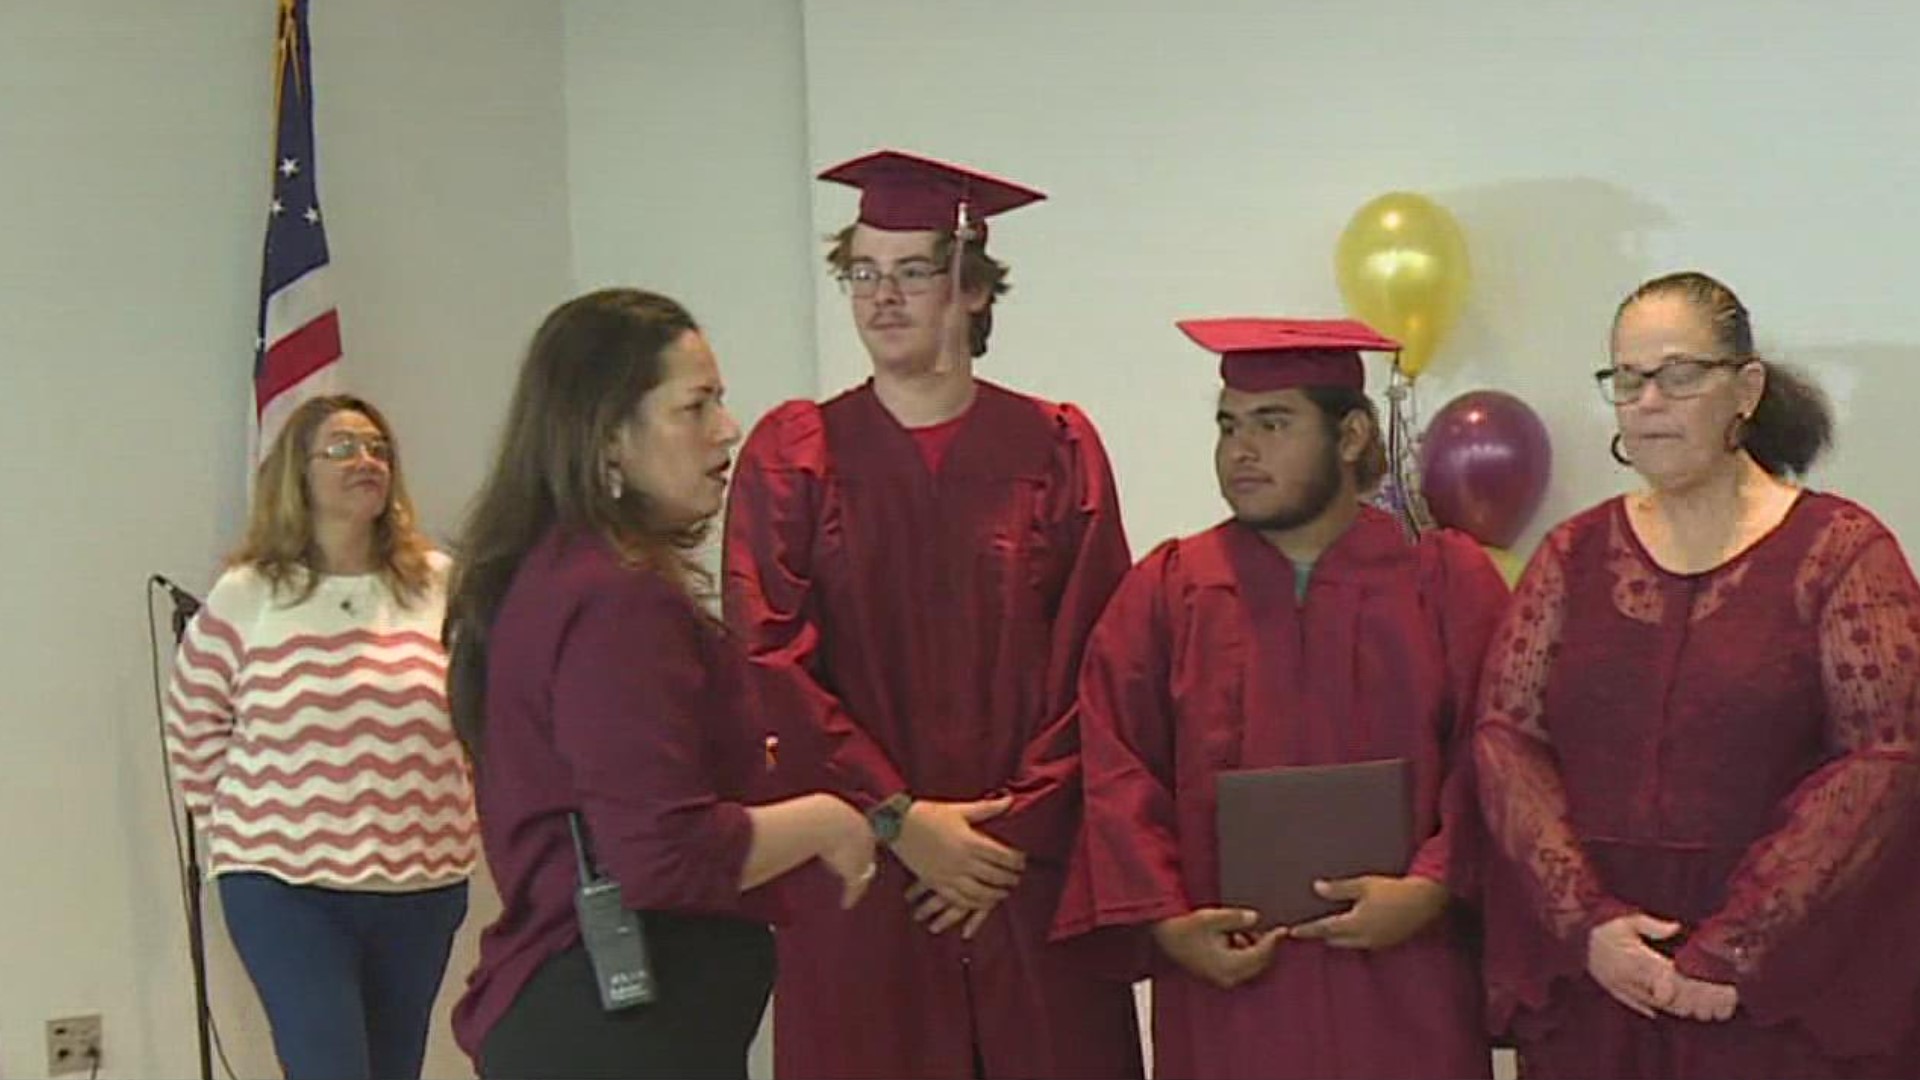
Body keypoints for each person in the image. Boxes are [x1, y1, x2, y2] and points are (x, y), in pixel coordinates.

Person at [723, 150, 1142, 1079]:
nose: (882, 297)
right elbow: (769, 660)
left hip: (1020, 877)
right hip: (860, 870)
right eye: (861, 273)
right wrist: (898, 819)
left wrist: (1002, 838)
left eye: (913, 270)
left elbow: (1101, 657)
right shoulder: (798, 453)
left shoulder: (1058, 447)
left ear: (975, 291)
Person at [1473, 270, 1920, 1078]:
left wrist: (1737, 949)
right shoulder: (1570, 555)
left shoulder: (1844, 551)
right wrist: (1588, 924)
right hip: (1602, 987)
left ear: (1744, 388)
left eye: (1679, 375)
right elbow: (1508, 740)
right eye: (1628, 379)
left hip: (1783, 994)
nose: (1648, 401)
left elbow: (1881, 762)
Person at [1052, 318, 1510, 1080]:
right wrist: (1167, 921)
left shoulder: (1443, 582)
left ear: (1354, 434)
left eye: (1273, 423)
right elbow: (1115, 764)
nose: (1241, 450)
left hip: (1405, 983)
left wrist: (1433, 887)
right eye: (1229, 425)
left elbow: (1495, 754)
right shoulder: (1170, 588)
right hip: (1228, 982)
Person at [445, 289, 878, 1079]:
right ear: (610, 438)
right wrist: (825, 821)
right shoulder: (616, 597)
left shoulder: (553, 574)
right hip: (618, 1033)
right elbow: (661, 852)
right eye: (696, 406)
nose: (729, 428)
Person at [163, 394, 476, 1080]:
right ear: (296, 475)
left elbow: (483, 713)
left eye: (377, 448)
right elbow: (193, 723)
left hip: (421, 882)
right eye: (340, 448)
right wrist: (241, 830)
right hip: (284, 886)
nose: (365, 461)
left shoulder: (442, 585)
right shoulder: (250, 594)